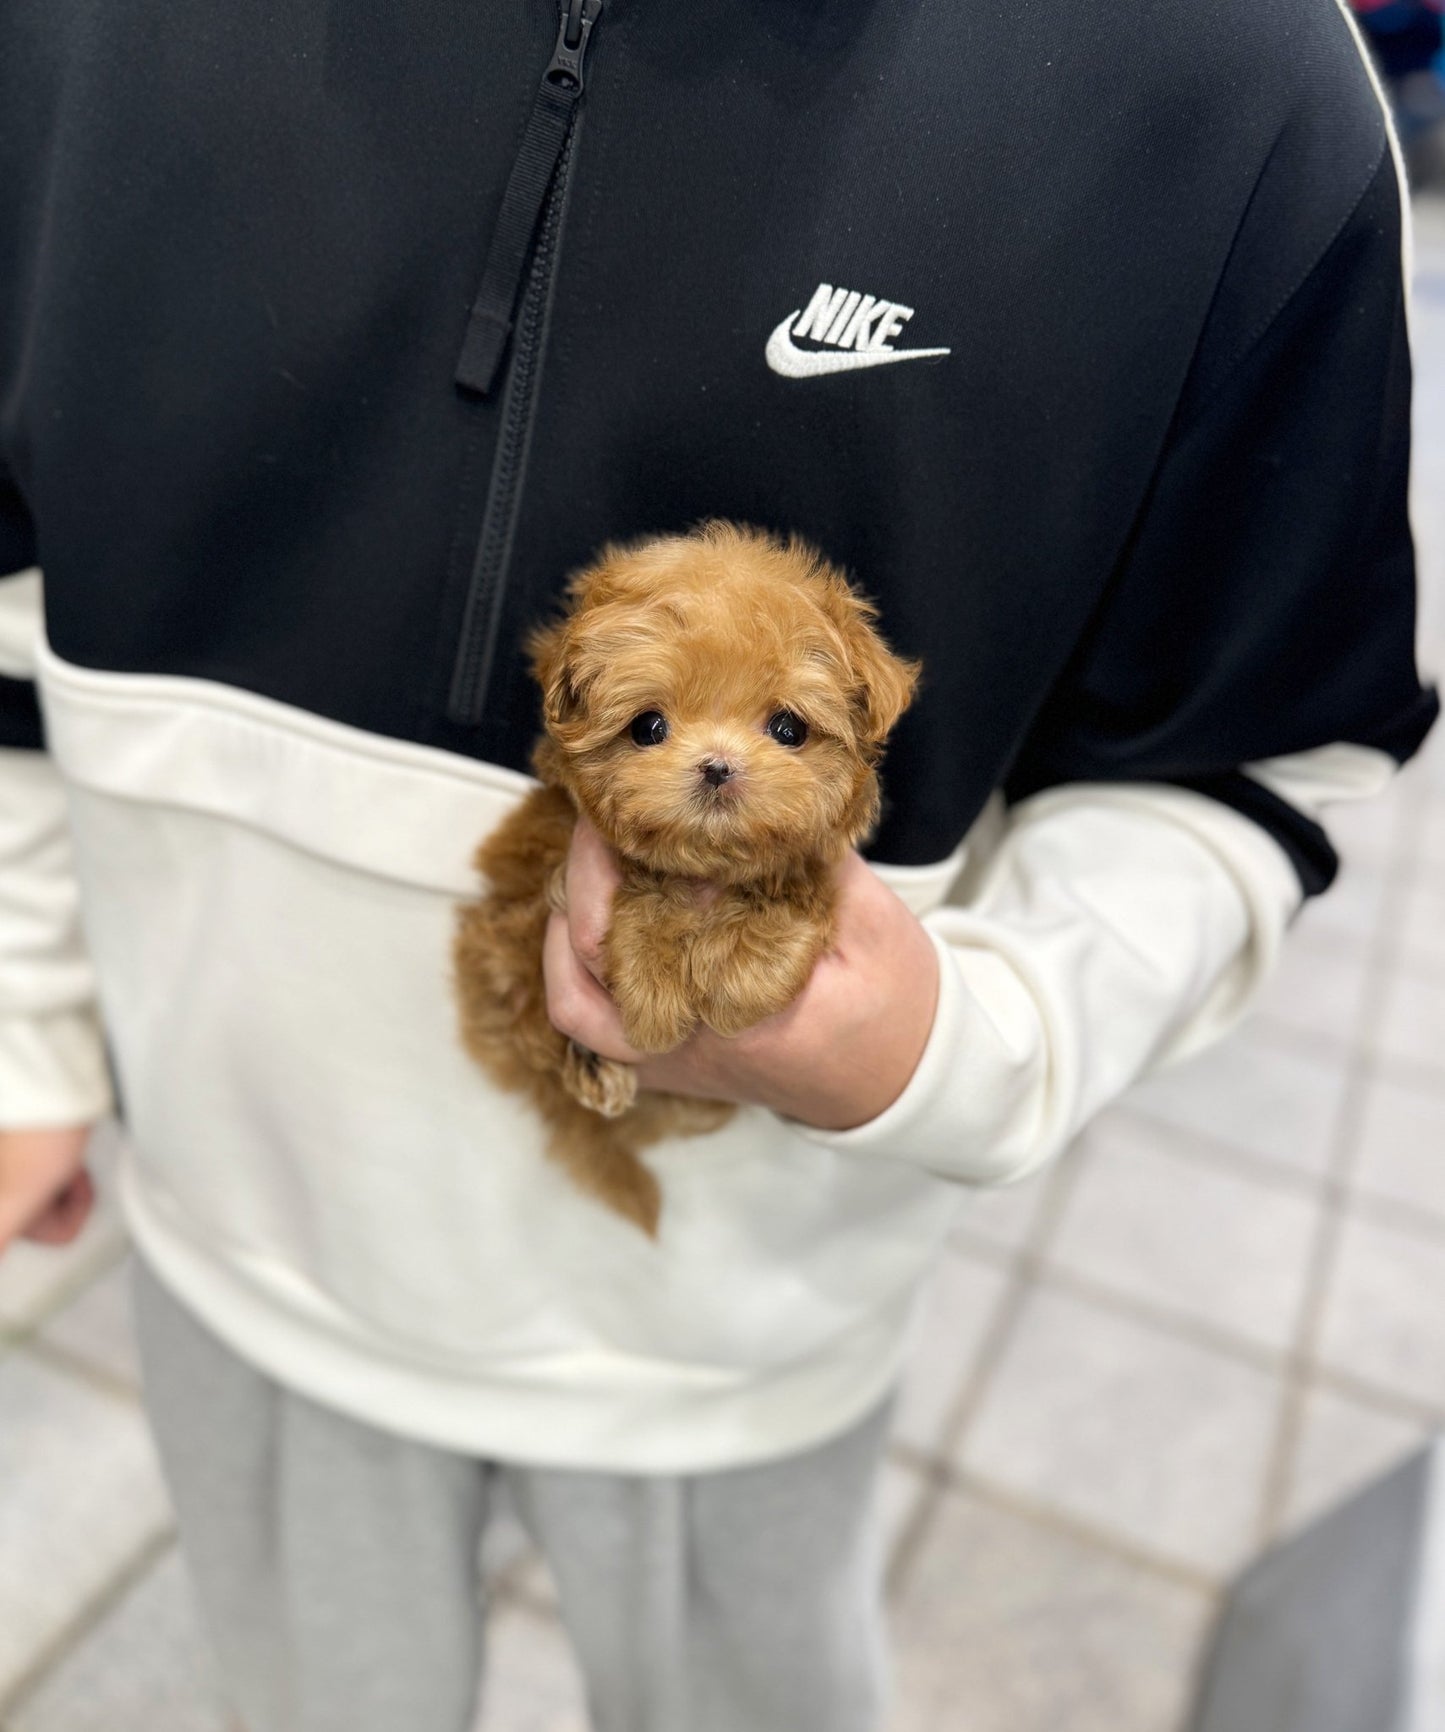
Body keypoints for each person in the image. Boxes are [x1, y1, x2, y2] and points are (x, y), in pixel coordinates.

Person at [0, 2, 1437, 1728]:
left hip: (755, 1327)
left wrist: (959, 1047)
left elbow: (1251, 749)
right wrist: (27, 1030)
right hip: (237, 1233)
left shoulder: (1224, 78)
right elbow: (13, 574)